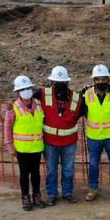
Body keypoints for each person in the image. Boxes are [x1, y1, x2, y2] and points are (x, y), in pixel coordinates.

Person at [33, 66, 82, 206]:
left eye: (61, 83)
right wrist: (12, 106)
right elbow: (26, 100)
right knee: (51, 170)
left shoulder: (76, 98)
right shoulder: (42, 94)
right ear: (52, 82)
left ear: (67, 83)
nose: (59, 85)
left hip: (69, 142)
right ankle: (52, 194)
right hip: (50, 142)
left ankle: (67, 193)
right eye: (56, 82)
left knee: (68, 169)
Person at [81, 64, 110, 202]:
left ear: (108, 80)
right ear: (94, 81)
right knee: (93, 164)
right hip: (93, 137)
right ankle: (93, 189)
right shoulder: (87, 94)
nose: (100, 82)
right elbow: (84, 112)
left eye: (103, 79)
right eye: (97, 79)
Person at [4, 75, 46, 211]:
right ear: (18, 92)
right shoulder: (13, 108)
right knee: (24, 174)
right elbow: (7, 128)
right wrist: (10, 147)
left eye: (28, 88)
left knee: (36, 174)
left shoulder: (39, 104)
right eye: (23, 89)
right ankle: (25, 198)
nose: (26, 91)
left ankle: (37, 196)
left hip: (37, 147)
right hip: (21, 149)